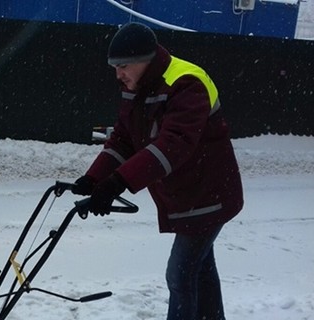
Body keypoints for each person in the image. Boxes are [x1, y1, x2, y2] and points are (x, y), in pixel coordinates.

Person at [72, 22, 244, 320]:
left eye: (123, 66)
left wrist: (117, 183)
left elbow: (171, 146)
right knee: (199, 269)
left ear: (145, 59)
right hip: (188, 196)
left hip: (208, 195)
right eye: (115, 67)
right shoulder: (136, 87)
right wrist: (94, 177)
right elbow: (125, 139)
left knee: (179, 274)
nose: (118, 74)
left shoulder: (187, 83)